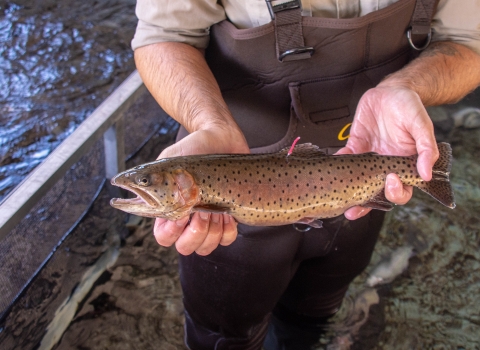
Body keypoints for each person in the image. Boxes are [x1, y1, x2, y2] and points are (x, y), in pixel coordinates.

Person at [131, 1, 480, 349]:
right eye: (147, 182)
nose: (140, 185)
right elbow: (163, 36)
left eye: (145, 181)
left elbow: (468, 43)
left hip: (360, 188)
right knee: (225, 337)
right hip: (236, 174)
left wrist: (406, 86)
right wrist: (210, 123)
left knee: (312, 321)